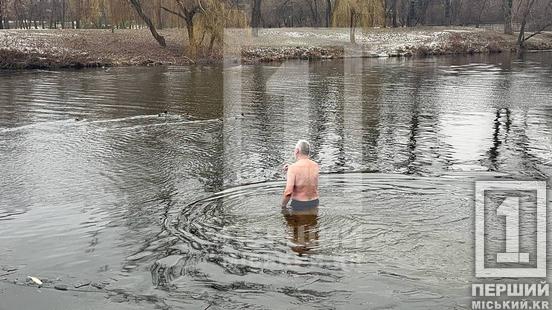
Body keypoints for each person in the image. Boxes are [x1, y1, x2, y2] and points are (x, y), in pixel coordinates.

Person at [281, 140, 319, 210]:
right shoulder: (315, 165)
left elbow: (288, 192)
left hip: (299, 204)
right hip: (314, 202)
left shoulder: (293, 168)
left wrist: (283, 207)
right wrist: (290, 168)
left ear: (297, 151)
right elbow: (306, 176)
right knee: (312, 221)